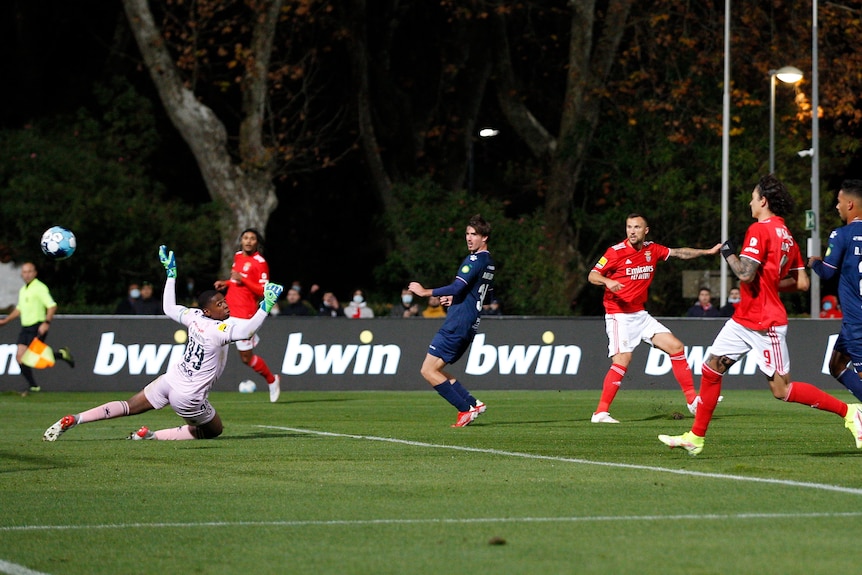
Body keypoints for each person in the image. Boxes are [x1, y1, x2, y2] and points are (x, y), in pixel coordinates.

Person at [659, 174, 862, 455]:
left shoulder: (759, 229)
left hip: (765, 324)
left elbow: (744, 273)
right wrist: (768, 282)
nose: (750, 203)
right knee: (711, 368)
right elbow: (802, 283)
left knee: (783, 390)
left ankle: (850, 412)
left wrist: (729, 253)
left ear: (763, 201)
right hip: (744, 318)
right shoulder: (787, 234)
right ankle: (696, 437)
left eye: (753, 198)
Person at [43, 245, 284, 442]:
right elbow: (248, 330)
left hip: (170, 379)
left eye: (224, 301)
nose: (226, 305)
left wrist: (171, 276)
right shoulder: (219, 330)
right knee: (213, 430)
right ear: (208, 311)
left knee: (129, 405)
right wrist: (266, 305)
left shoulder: (194, 316)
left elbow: (168, 307)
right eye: (219, 304)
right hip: (188, 396)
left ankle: (76, 418)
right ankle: (152, 437)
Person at [588, 213, 721, 423]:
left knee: (676, 347)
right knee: (623, 360)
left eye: (637, 227)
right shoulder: (615, 252)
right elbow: (592, 275)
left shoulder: (652, 249)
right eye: (629, 227)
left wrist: (707, 251)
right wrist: (607, 281)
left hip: (640, 315)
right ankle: (600, 413)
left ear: (645, 230)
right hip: (619, 315)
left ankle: (692, 401)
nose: (632, 231)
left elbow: (679, 253)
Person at [408, 214, 494, 427]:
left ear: (485, 238)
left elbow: (457, 286)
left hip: (457, 323)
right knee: (436, 369)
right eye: (467, 234)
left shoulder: (474, 260)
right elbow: (485, 296)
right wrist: (456, 299)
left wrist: (425, 291)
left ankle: (464, 409)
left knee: (427, 371)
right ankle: (473, 403)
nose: (469, 238)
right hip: (469, 323)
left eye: (474, 234)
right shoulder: (489, 263)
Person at [213, 228, 282, 402]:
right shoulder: (237, 256)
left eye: (252, 238)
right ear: (241, 240)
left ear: (257, 242)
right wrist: (226, 283)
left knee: (246, 358)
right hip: (228, 313)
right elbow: (236, 282)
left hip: (246, 315)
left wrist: (243, 279)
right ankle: (201, 388)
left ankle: (272, 380)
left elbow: (264, 291)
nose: (249, 241)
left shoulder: (260, 262)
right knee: (213, 346)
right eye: (245, 238)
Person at [809, 179, 862, 401]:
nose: (837, 206)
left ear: (850, 204)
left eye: (839, 202)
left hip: (857, 321)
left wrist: (814, 263)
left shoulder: (841, 235)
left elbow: (828, 272)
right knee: (836, 365)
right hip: (852, 323)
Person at [0, 262, 74, 395]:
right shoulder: (24, 290)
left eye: (29, 272)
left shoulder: (40, 287)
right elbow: (19, 309)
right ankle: (34, 386)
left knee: (29, 356)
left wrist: (46, 322)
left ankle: (61, 355)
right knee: (20, 357)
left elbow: (52, 306)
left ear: (35, 273)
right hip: (25, 327)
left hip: (37, 326)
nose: (27, 275)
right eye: (24, 272)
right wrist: (6, 320)